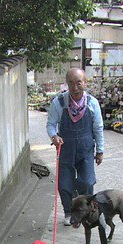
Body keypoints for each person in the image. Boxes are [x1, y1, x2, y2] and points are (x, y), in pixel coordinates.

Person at [46, 68, 104, 226]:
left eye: (79, 82)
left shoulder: (92, 103)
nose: (75, 86)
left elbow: (98, 127)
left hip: (86, 148)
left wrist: (100, 150)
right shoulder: (58, 102)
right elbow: (51, 124)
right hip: (66, 147)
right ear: (67, 84)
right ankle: (68, 211)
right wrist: (54, 136)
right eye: (71, 82)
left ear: (85, 83)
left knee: (87, 182)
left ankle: (87, 211)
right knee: (65, 183)